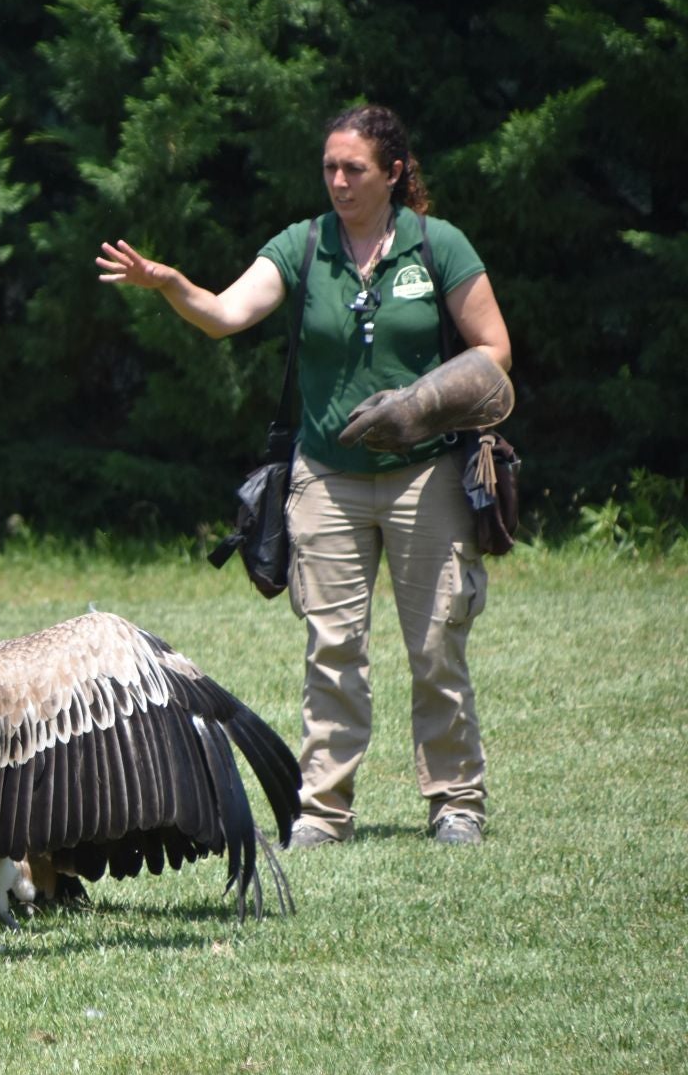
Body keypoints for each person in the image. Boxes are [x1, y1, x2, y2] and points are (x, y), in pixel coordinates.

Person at [97, 104, 512, 849]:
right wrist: (168, 283)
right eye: (329, 167)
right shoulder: (305, 243)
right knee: (332, 648)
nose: (339, 181)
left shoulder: (435, 244)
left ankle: (456, 804)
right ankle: (323, 813)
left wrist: (421, 403)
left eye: (354, 168)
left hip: (426, 477)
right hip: (328, 480)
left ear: (393, 172)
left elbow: (494, 350)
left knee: (436, 646)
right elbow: (225, 313)